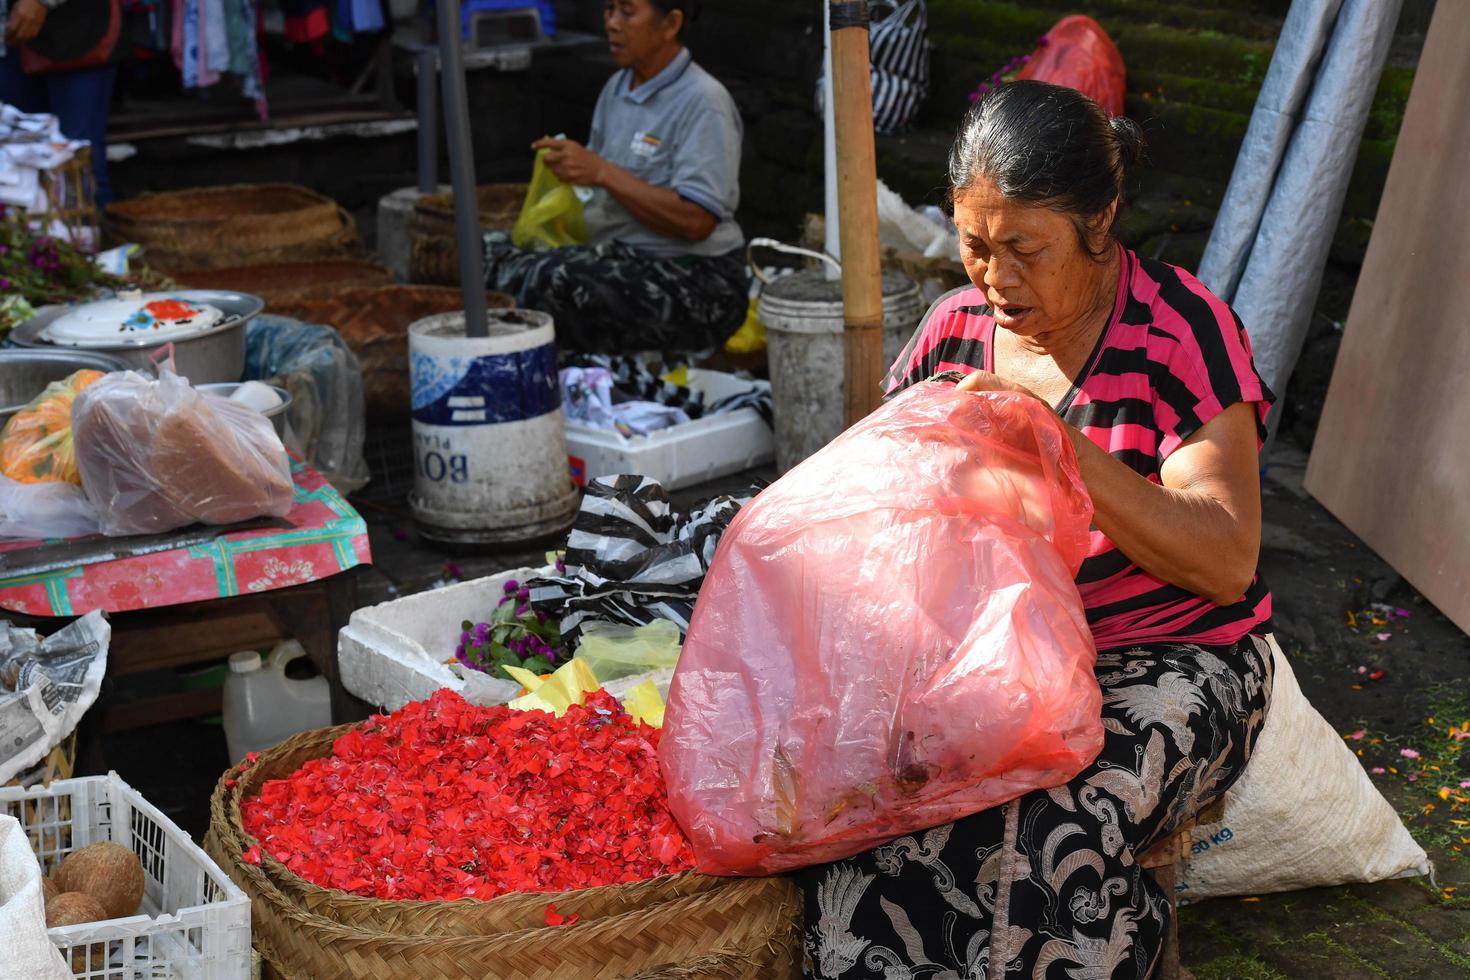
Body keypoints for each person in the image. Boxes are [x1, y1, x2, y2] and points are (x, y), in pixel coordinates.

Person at [799, 80, 1276, 979]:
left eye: (1025, 248)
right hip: (992, 656)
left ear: (1101, 220)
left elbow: (1226, 559)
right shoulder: (951, 333)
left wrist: (1062, 446)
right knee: (873, 808)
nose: (996, 278)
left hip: (1165, 651)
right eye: (976, 247)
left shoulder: (1181, 334)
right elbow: (888, 512)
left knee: (1049, 818)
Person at [483, 0, 747, 353]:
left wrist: (601, 171)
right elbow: (597, 188)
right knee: (485, 256)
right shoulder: (617, 88)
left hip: (694, 278)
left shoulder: (703, 101)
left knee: (550, 279)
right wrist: (569, 172)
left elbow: (696, 221)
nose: (611, 24)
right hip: (621, 256)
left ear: (670, 24)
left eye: (627, 11)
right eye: (608, 10)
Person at [0, 0, 120, 205]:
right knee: (16, 173)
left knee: (78, 171)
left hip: (75, 34)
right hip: (9, 42)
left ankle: (85, 234)